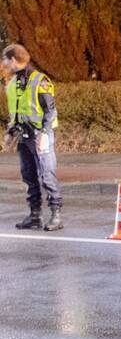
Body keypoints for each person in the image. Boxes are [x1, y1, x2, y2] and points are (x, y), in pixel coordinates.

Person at [3, 43, 62, 231]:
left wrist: (44, 134)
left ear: (13, 59)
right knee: (28, 176)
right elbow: (16, 112)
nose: (3, 63)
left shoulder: (40, 80)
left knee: (47, 175)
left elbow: (50, 110)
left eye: (5, 59)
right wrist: (9, 133)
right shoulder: (13, 84)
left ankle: (56, 215)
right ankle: (35, 216)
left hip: (39, 135)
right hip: (23, 137)